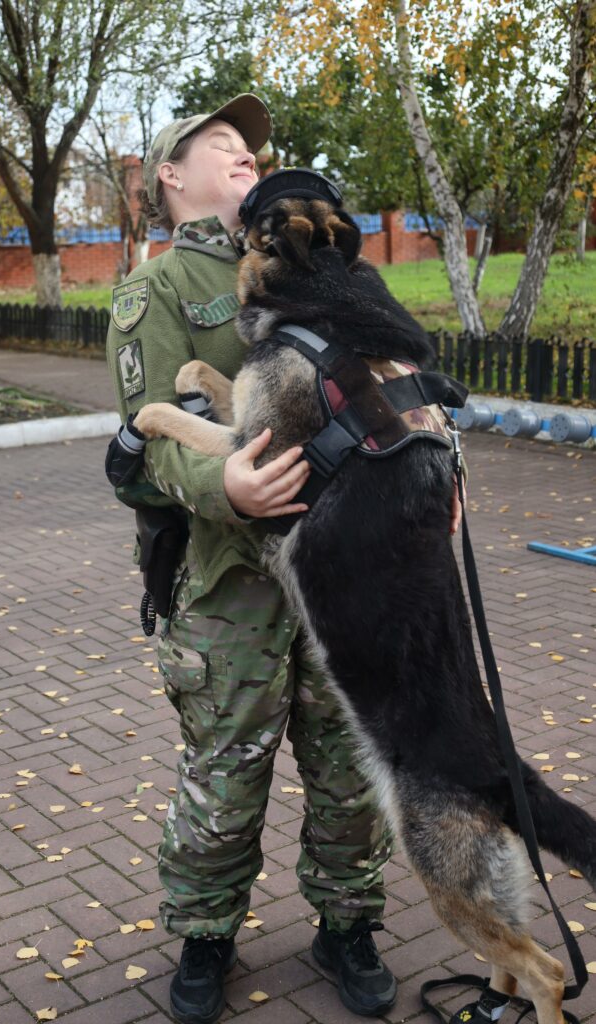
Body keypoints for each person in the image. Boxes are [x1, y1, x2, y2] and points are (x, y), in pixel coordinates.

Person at [105, 94, 461, 1024]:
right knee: (226, 771)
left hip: (345, 574)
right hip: (229, 589)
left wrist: (437, 466)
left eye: (252, 150)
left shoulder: (315, 262)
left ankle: (346, 924)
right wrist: (226, 487)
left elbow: (387, 375)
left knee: (349, 761)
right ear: (168, 179)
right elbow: (137, 450)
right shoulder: (160, 291)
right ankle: (206, 933)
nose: (244, 156)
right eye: (220, 146)